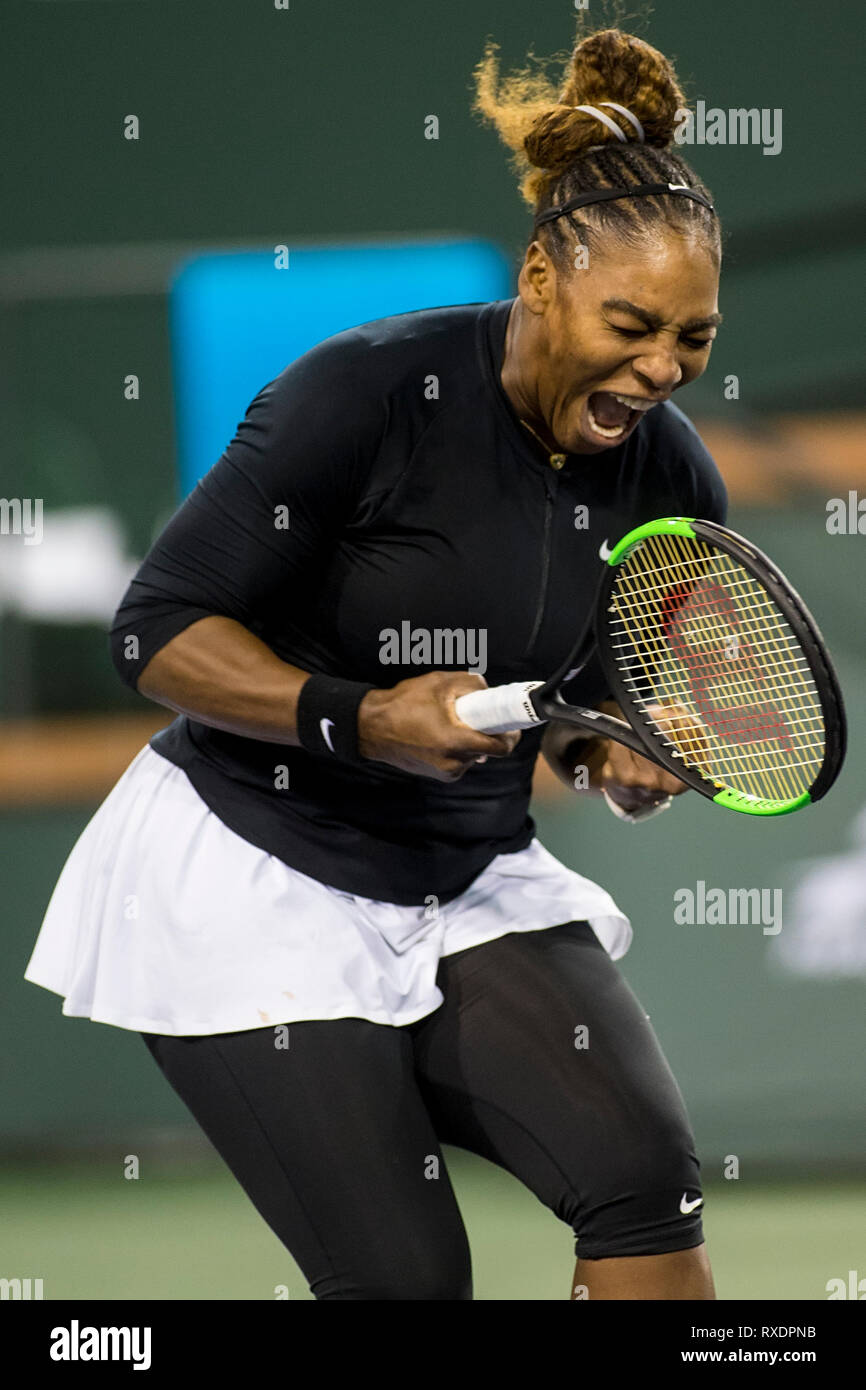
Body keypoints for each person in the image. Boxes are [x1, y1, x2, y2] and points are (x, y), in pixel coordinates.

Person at [25, 24, 727, 1299]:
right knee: (403, 1282)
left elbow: (593, 698)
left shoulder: (669, 477)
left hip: (464, 870)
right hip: (251, 874)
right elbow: (158, 629)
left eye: (691, 338)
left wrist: (609, 746)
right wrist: (361, 718)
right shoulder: (359, 395)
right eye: (631, 323)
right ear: (539, 280)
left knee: (643, 1187)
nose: (661, 367)